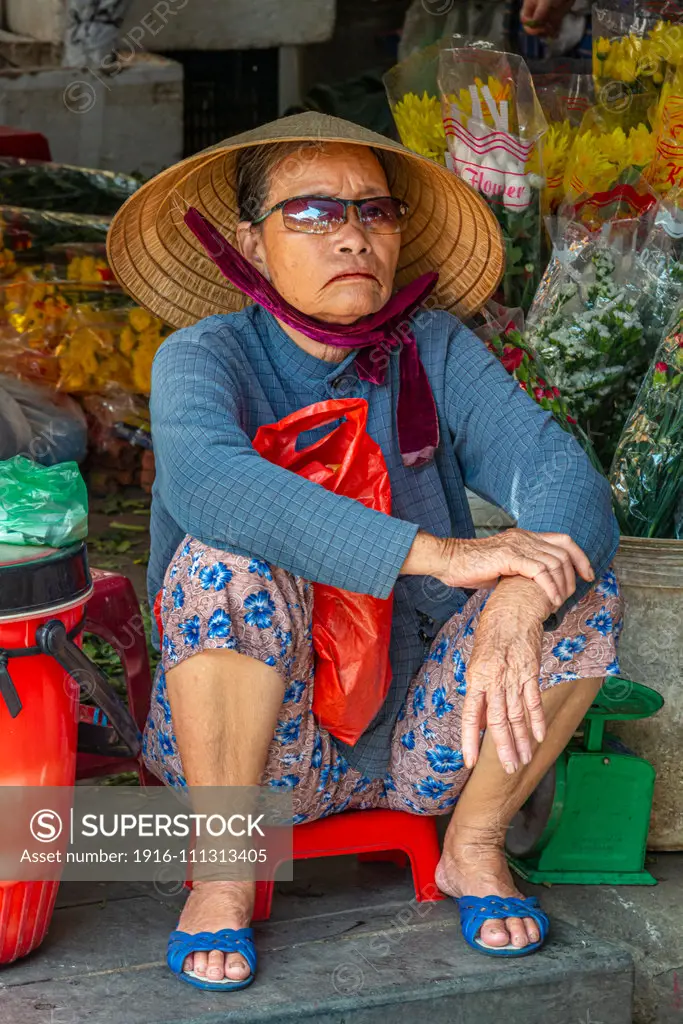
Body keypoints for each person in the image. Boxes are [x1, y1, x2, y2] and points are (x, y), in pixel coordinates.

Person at [108, 112, 622, 991]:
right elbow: (211, 487)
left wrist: (512, 600)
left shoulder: (436, 348)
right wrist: (441, 554)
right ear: (251, 244)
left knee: (574, 585)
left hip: (426, 744)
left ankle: (471, 844)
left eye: (373, 212)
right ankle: (224, 873)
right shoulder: (205, 355)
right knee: (222, 567)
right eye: (311, 213)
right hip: (258, 753)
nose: (351, 234)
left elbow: (558, 472)